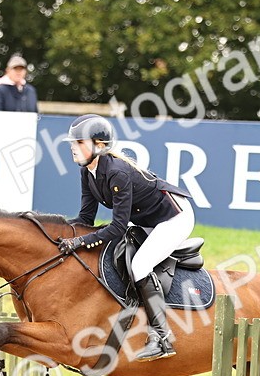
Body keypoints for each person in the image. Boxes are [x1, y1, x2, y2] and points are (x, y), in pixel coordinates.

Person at [57, 115, 195, 362]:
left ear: (99, 145)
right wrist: (60, 234)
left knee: (140, 265)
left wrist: (79, 242)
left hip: (173, 218)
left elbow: (118, 227)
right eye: (72, 142)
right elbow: (85, 218)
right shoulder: (87, 172)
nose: (72, 147)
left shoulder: (117, 172)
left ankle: (162, 337)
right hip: (146, 219)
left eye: (79, 142)